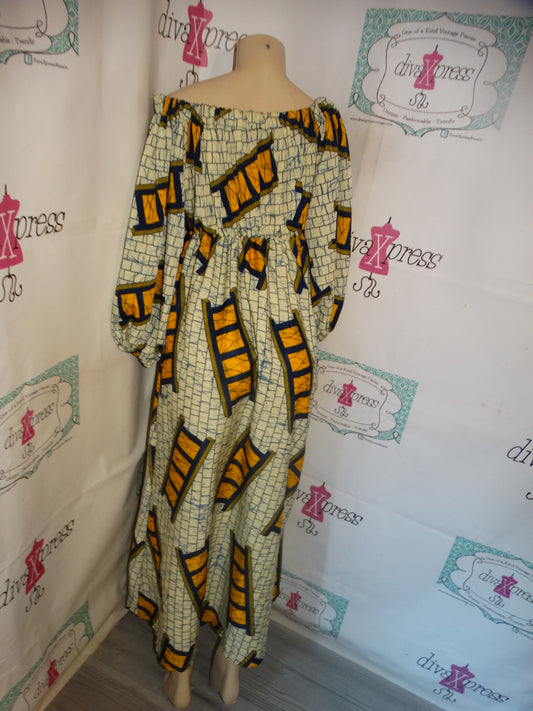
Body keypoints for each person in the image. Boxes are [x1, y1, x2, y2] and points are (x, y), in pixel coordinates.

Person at [111, 34, 352, 707]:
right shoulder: (323, 127)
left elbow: (151, 229)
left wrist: (141, 323)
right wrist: (306, 318)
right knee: (257, 498)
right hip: (286, 336)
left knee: (190, 492)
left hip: (201, 327)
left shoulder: (182, 112)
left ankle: (181, 660)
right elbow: (331, 254)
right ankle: (231, 659)